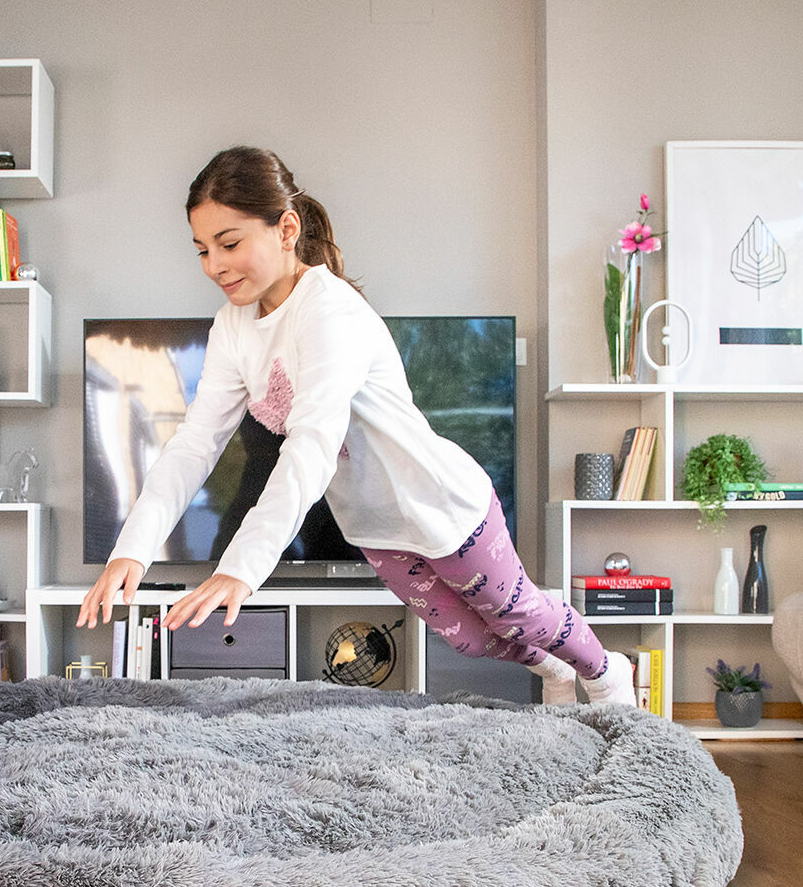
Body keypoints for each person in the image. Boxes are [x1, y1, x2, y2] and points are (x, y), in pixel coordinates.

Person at [77, 146, 635, 707]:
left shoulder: (329, 310)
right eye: (202, 250)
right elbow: (196, 443)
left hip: (439, 504)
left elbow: (311, 445)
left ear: (286, 229)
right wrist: (134, 549)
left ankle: (608, 674)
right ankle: (555, 669)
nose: (213, 265)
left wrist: (241, 569)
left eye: (229, 243)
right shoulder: (233, 325)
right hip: (374, 526)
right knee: (469, 640)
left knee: (519, 615)